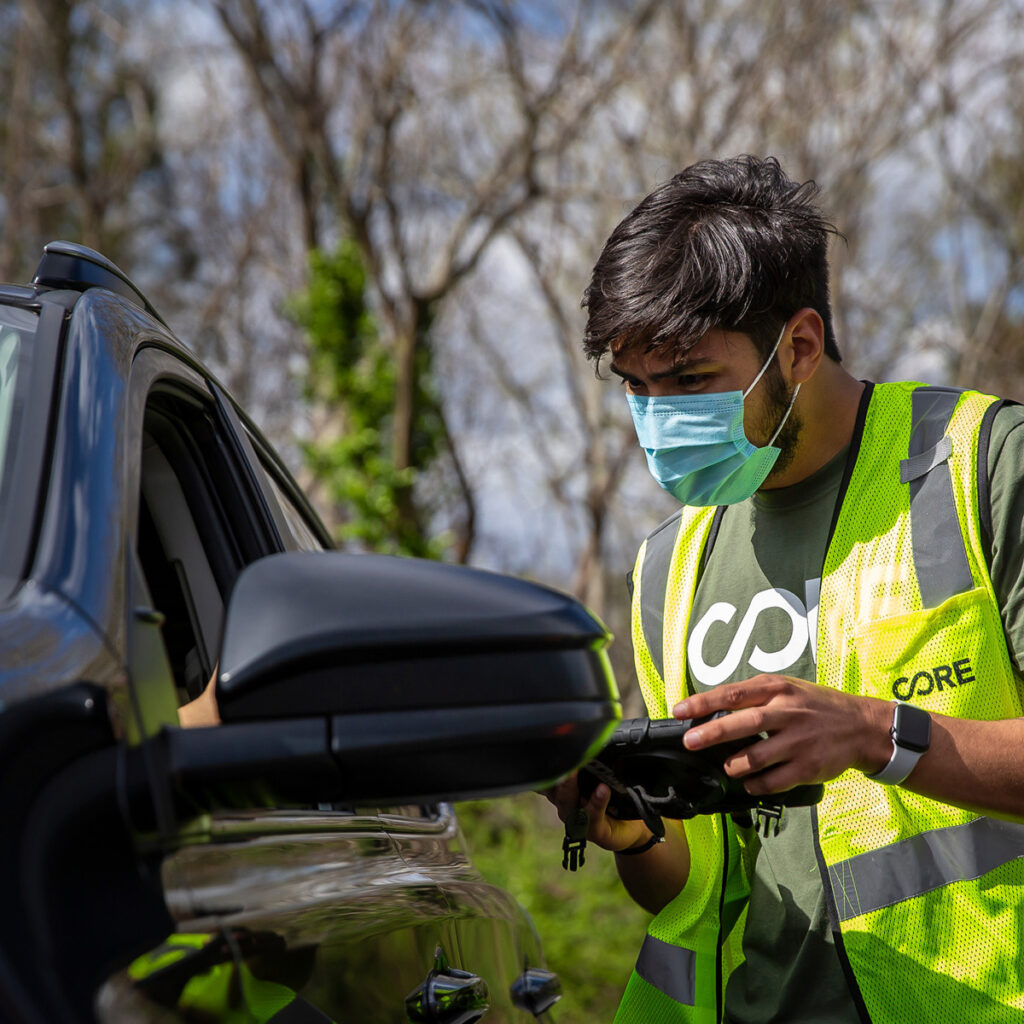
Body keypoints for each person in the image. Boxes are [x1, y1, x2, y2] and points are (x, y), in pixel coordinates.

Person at [548, 155, 1024, 1023]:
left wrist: (873, 732)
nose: (658, 419)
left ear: (799, 346)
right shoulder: (668, 566)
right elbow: (695, 890)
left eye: (689, 381)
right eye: (637, 389)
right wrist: (631, 829)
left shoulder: (983, 467)